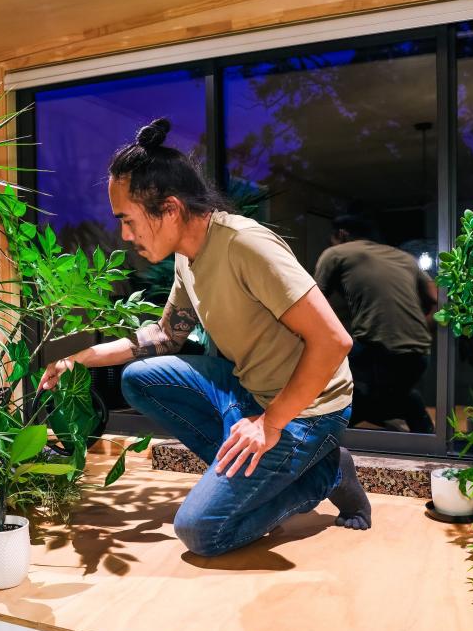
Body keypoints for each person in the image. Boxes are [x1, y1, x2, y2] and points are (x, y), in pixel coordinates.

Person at [38, 118, 372, 557]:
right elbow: (164, 335)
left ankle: (325, 473)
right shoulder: (187, 257)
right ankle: (261, 469)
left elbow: (333, 342)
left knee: (201, 531)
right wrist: (80, 358)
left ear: (171, 209)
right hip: (254, 391)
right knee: (139, 378)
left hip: (310, 411)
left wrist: (270, 424)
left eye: (128, 220)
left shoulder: (245, 245)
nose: (124, 234)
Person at [314, 214, 437, 434]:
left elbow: (313, 304)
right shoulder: (404, 258)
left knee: (325, 383)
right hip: (419, 354)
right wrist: (418, 332)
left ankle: (323, 440)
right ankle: (427, 437)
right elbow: (436, 299)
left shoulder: (336, 253)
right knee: (388, 396)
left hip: (377, 352)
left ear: (341, 234)